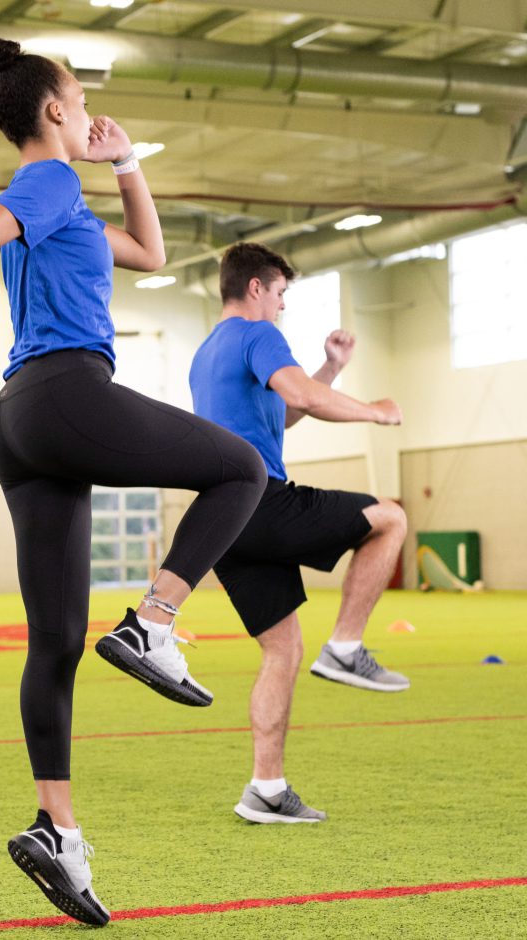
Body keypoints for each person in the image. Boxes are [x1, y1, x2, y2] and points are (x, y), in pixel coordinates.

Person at [0, 38, 267, 924]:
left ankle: (59, 832)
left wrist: (126, 162)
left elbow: (153, 253)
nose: (89, 113)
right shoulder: (47, 183)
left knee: (53, 642)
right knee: (241, 468)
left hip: (20, 421)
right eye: (81, 100)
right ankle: (153, 622)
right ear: (53, 112)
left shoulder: (67, 210)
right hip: (62, 391)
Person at [188, 242, 410, 826]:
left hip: (222, 524)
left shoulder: (208, 352)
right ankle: (347, 646)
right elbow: (301, 397)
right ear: (256, 288)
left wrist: (331, 367)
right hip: (262, 501)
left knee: (282, 650)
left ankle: (266, 788)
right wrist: (376, 411)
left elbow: (279, 412)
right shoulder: (260, 335)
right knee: (390, 518)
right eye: (282, 293)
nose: (283, 306)